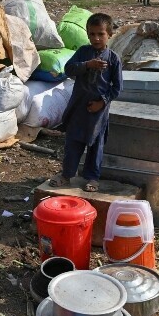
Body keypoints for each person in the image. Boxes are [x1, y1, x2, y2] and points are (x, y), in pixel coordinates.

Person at [49, 13, 123, 193]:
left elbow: (117, 88)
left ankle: (92, 177)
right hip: (79, 106)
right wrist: (87, 65)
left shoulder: (113, 59)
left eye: (100, 34)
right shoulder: (83, 52)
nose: (96, 38)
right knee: (73, 141)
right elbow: (68, 69)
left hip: (98, 111)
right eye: (92, 34)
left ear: (109, 34)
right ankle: (66, 175)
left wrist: (102, 102)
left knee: (95, 144)